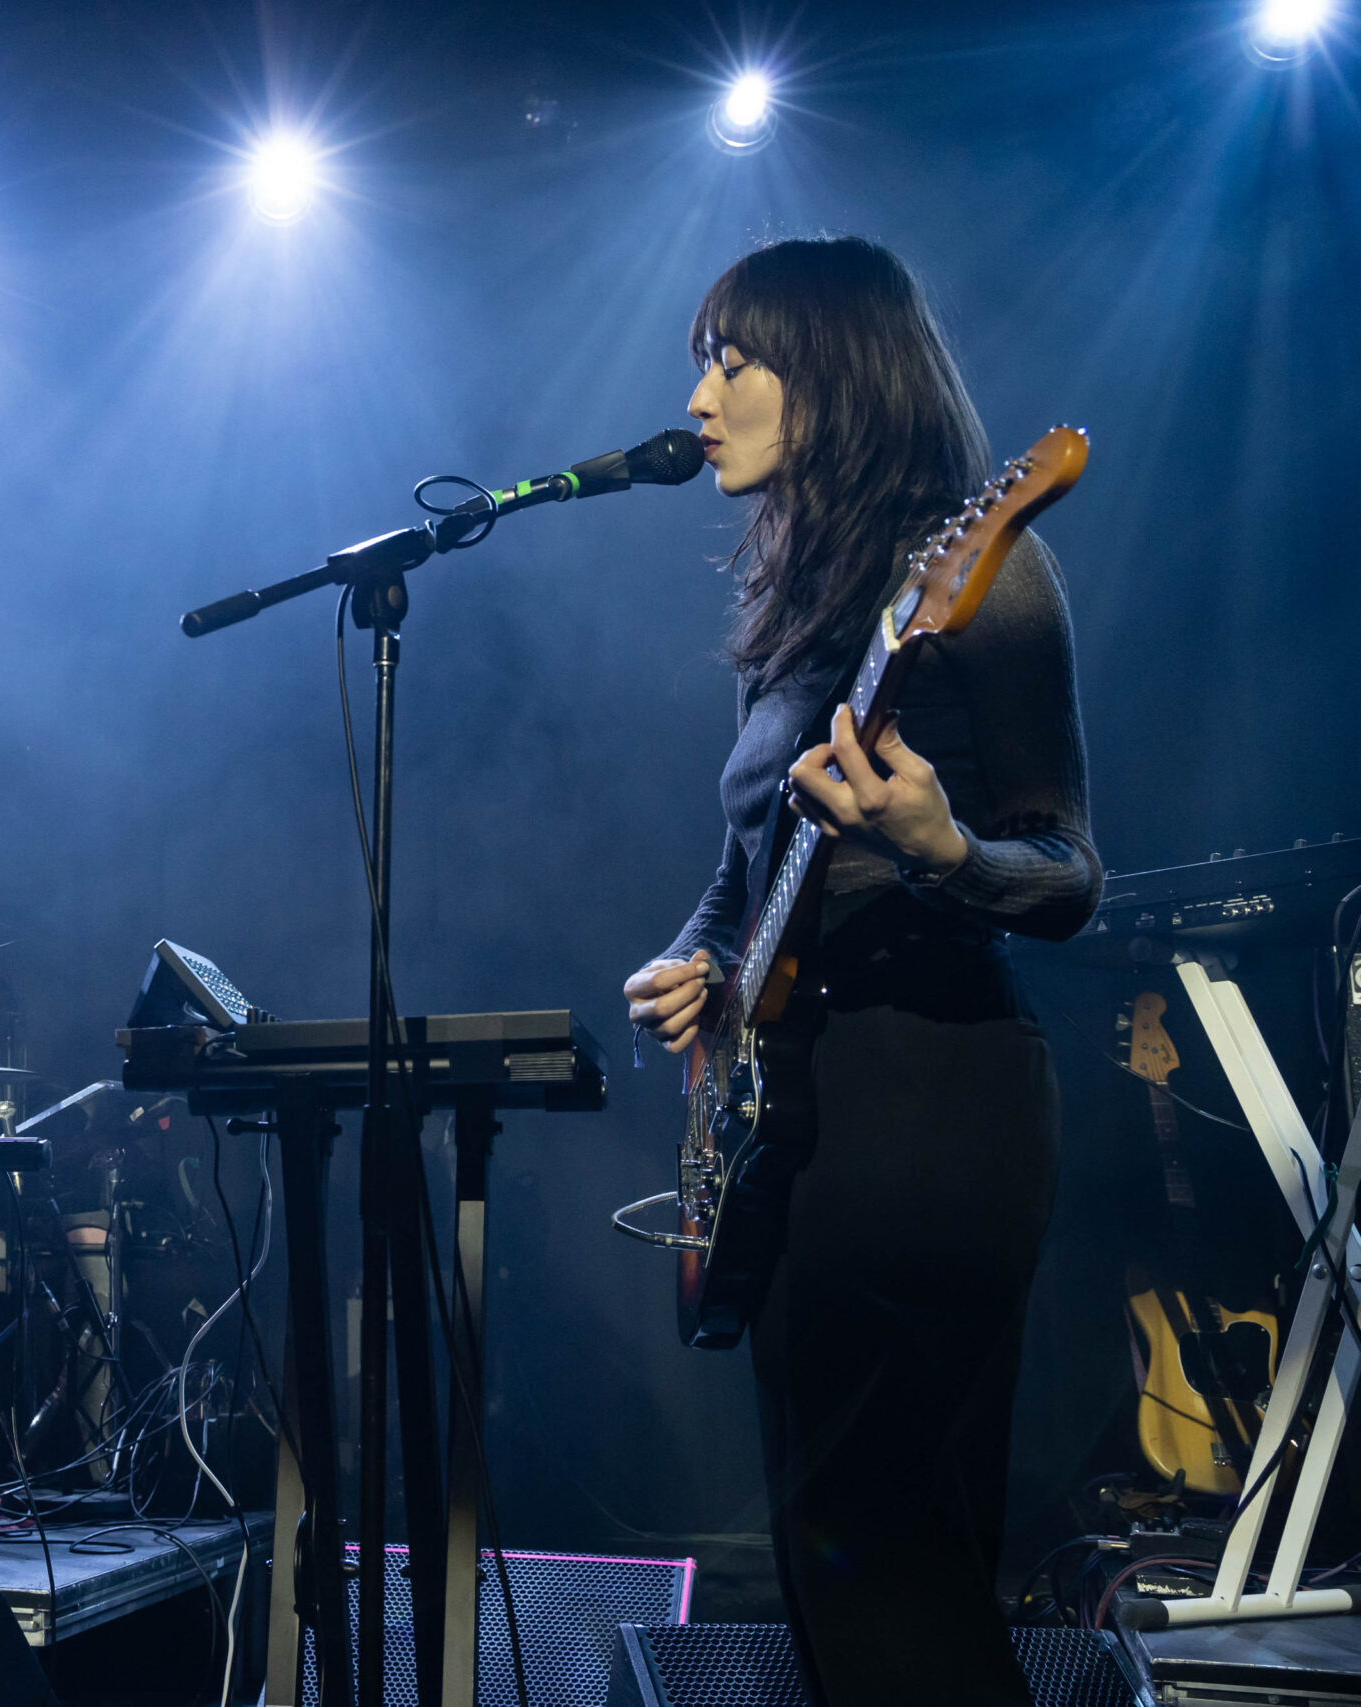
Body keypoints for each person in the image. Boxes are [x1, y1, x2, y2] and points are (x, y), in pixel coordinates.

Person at [622, 238, 1101, 1705]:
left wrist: (945, 846)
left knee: (898, 1579)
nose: (700, 395)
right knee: (847, 1583)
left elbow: (1076, 874)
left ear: (828, 382)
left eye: (733, 359)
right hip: (801, 1120)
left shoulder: (986, 581)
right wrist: (700, 960)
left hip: (925, 1108)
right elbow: (754, 856)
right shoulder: (805, 610)